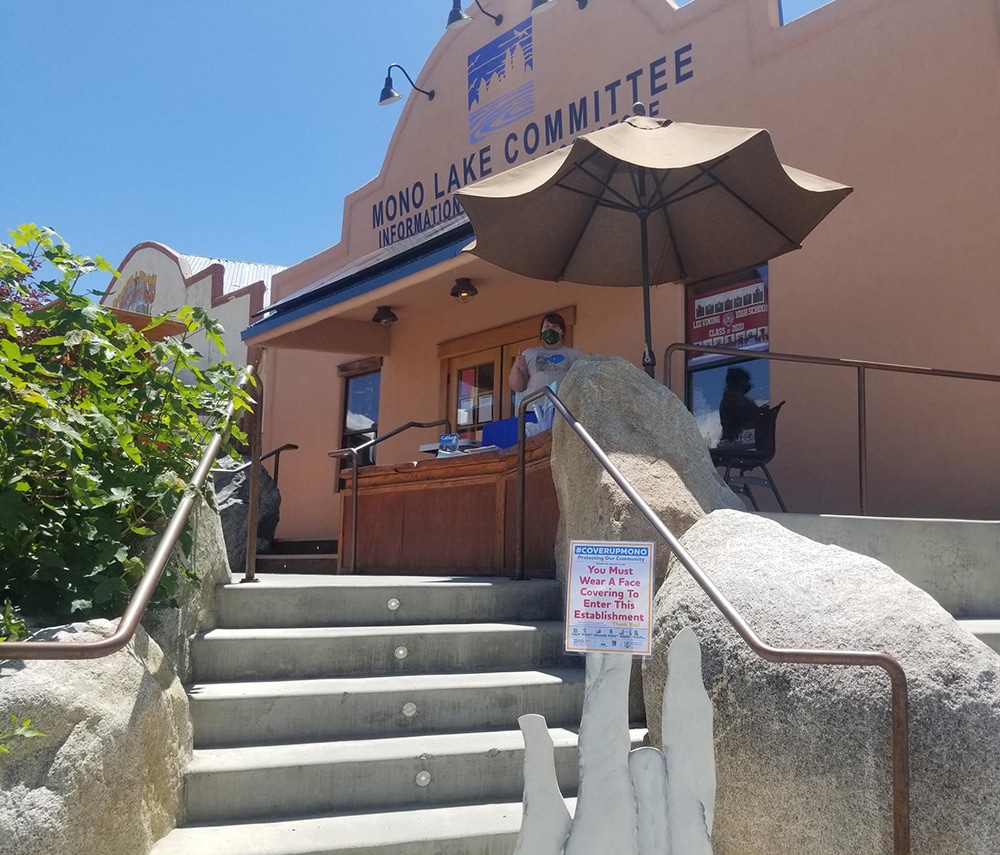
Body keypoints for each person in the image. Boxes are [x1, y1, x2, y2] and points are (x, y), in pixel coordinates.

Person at [508, 312, 584, 397]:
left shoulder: (576, 355)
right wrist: (516, 367)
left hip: (563, 408)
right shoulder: (529, 354)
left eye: (554, 326)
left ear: (562, 331)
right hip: (535, 407)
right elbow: (517, 387)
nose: (550, 329)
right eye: (546, 326)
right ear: (542, 330)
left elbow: (582, 384)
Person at [718, 366, 766, 444]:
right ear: (739, 382)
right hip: (737, 443)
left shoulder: (732, 398)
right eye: (747, 381)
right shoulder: (733, 398)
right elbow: (742, 415)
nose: (750, 385)